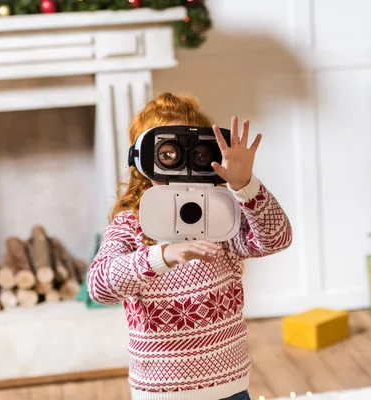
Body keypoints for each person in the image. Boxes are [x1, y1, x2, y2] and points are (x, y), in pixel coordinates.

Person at [87, 92, 292, 400]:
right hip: (161, 392)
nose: (179, 166)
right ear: (142, 160)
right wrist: (162, 256)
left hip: (229, 385)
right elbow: (99, 286)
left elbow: (276, 238)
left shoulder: (223, 217)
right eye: (167, 154)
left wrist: (244, 183)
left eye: (192, 153)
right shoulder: (132, 224)